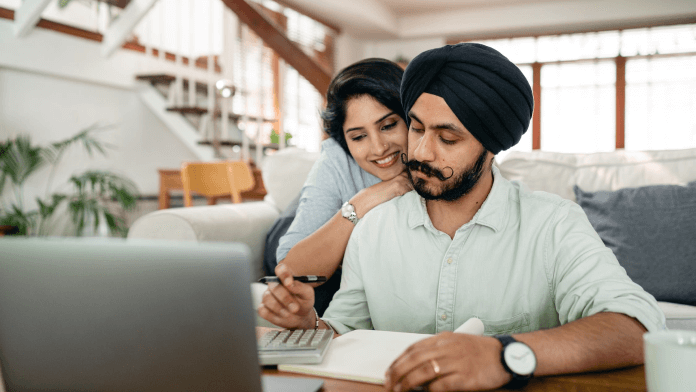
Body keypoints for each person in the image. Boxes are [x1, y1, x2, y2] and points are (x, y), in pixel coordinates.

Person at [258, 43, 666, 391]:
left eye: (448, 138)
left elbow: (635, 328)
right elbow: (345, 332)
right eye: (416, 129)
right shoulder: (374, 226)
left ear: (492, 144)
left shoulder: (554, 224)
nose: (421, 153)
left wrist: (505, 354)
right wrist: (305, 323)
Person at [268, 58, 412, 315]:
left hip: (344, 252)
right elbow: (292, 270)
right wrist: (365, 199)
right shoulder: (336, 158)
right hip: (293, 231)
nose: (379, 148)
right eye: (358, 136)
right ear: (344, 140)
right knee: (319, 294)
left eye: (388, 125)